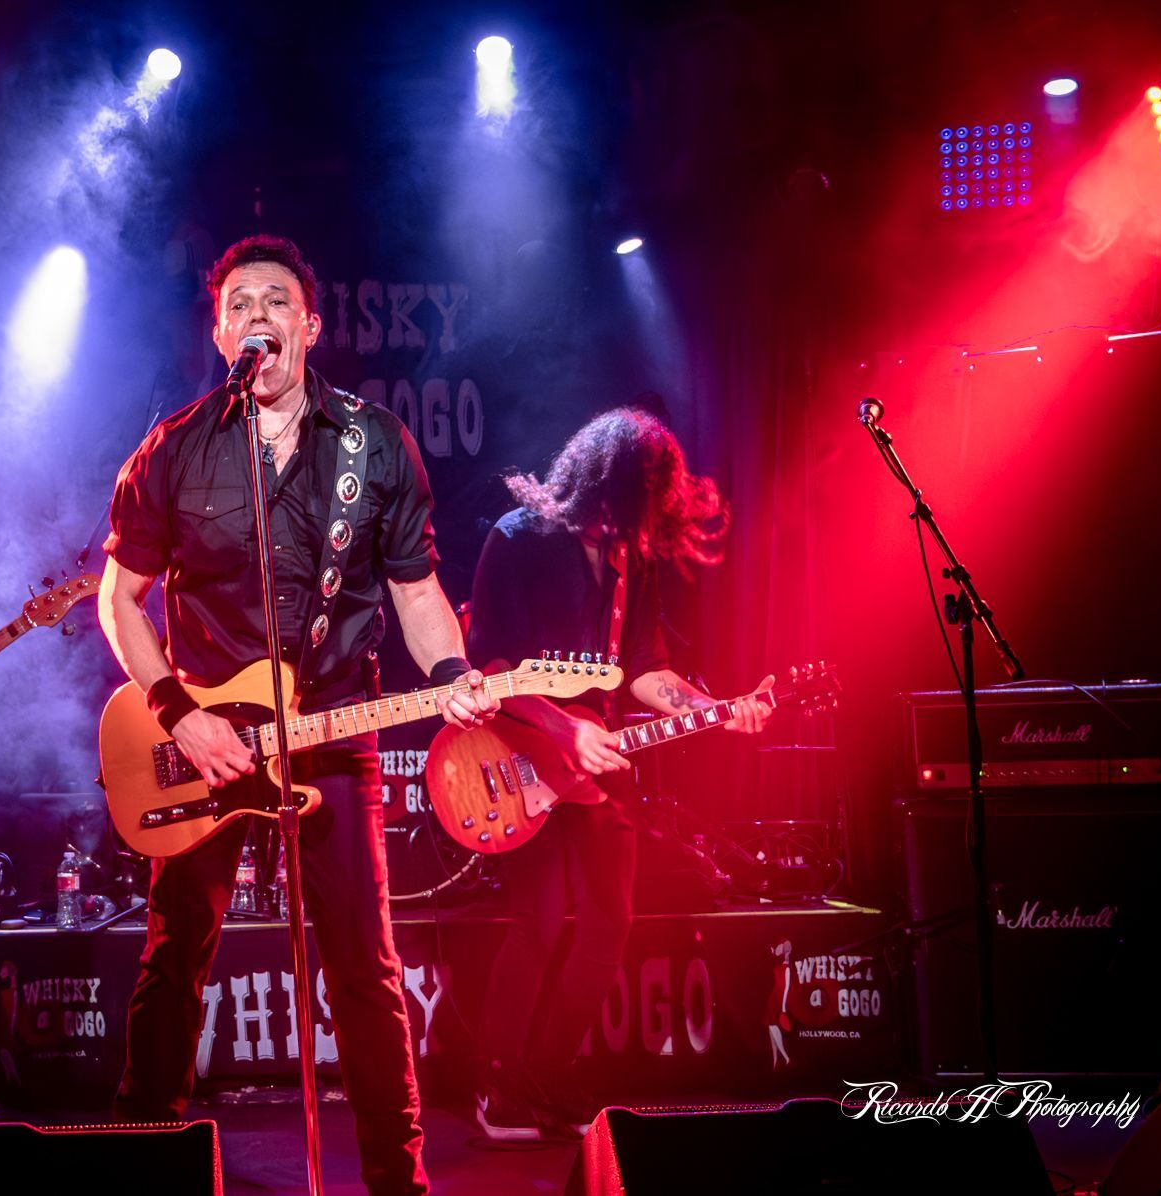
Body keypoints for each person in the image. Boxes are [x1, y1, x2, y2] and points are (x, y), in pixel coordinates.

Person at [98, 234, 497, 1196]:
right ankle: (139, 1163)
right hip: (205, 737)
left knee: (365, 964)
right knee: (175, 955)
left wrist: (452, 671)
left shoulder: (373, 444)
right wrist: (176, 710)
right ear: (220, 329)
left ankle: (397, 1183)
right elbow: (119, 598)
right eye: (240, 303)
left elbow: (414, 590)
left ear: (310, 326)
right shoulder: (176, 449)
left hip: (332, 728)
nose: (258, 316)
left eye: (277, 300)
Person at [464, 406, 773, 1141]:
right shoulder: (518, 542)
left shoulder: (633, 559)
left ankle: (546, 1075)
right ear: (596, 484)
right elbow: (491, 668)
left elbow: (645, 671)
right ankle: (498, 1086)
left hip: (599, 764)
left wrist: (716, 708)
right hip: (520, 757)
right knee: (539, 922)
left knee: (611, 921)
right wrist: (565, 726)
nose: (624, 526)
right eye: (619, 508)